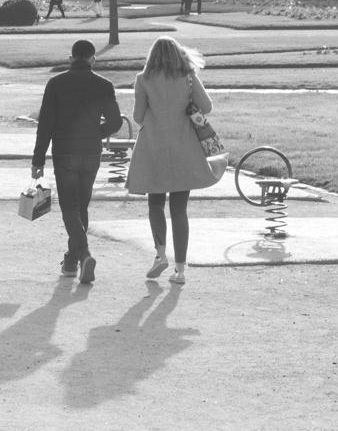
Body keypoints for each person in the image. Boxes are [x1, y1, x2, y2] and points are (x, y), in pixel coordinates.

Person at [128, 38, 223, 284]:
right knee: (179, 209)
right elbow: (207, 107)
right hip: (185, 146)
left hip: (153, 147)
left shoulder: (143, 79)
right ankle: (180, 269)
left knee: (155, 203)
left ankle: (160, 253)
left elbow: (138, 117)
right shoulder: (188, 77)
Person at [29, 39, 123, 285]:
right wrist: (95, 133)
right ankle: (72, 260)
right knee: (82, 206)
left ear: (71, 58)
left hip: (65, 151)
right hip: (91, 152)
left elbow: (46, 125)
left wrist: (38, 158)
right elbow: (115, 122)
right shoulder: (104, 85)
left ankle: (82, 254)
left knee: (70, 207)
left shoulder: (56, 84)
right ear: (93, 59)